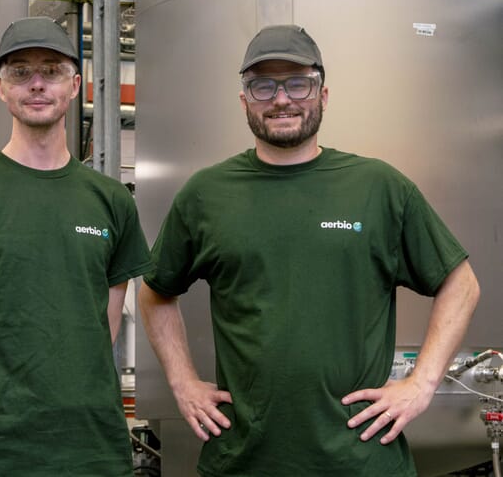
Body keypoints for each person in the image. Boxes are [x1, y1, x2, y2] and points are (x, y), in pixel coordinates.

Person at [138, 24, 480, 476]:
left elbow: (461, 284)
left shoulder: (378, 187)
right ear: (245, 100)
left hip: (361, 461)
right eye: (263, 85)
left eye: (298, 83)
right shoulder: (206, 194)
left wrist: (422, 384)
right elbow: (155, 290)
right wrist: (182, 382)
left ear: (323, 94)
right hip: (243, 461)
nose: (282, 99)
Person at [0, 16, 153, 476]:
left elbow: (101, 327)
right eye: (20, 72)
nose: (37, 84)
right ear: (1, 88)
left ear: (75, 85)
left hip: (93, 447)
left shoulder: (111, 201)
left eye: (52, 70)